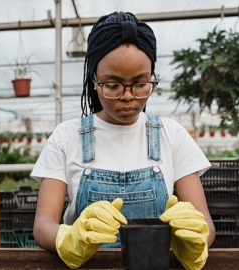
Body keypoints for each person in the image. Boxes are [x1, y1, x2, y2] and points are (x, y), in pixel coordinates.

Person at [31, 11, 215, 270]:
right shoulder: (66, 136)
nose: (128, 96)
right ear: (94, 80)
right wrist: (69, 238)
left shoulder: (171, 134)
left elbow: (206, 226)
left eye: (141, 84)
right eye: (113, 85)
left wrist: (195, 237)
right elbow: (42, 225)